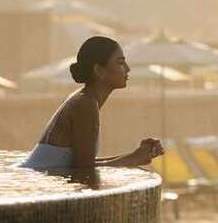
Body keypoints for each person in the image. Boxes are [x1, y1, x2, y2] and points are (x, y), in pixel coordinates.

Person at [19, 36, 163, 183]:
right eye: (120, 62)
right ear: (99, 70)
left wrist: (134, 155)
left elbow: (81, 165)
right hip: (34, 183)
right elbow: (85, 172)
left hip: (36, 180)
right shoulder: (85, 104)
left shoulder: (84, 99)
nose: (127, 68)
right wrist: (133, 159)